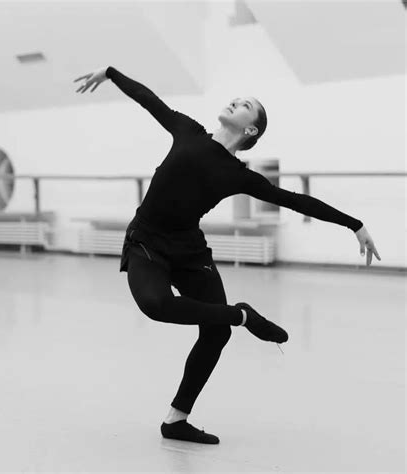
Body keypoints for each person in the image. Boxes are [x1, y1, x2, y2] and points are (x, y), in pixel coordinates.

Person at [74, 66, 381, 444]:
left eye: (245, 105)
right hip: (147, 242)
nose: (235, 101)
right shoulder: (187, 130)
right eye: (236, 99)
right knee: (154, 304)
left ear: (250, 130)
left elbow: (294, 199)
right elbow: (148, 99)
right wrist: (109, 73)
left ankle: (175, 420)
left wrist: (355, 224)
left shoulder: (238, 174)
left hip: (190, 252)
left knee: (215, 333)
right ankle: (243, 315)